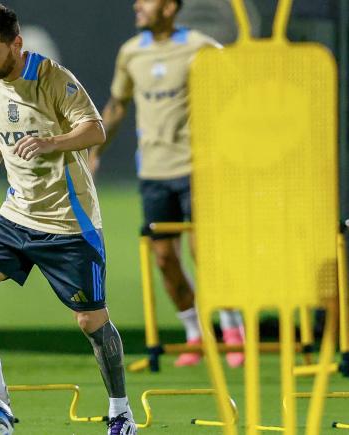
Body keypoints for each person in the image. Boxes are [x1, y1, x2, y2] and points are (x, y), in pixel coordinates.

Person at [0, 4, 137, 433]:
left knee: (91, 321)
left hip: (68, 222)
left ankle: (121, 413)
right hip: (16, 213)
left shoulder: (53, 79)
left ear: (16, 45)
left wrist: (52, 142)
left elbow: (96, 129)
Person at [89, 0, 245, 368]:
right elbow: (117, 105)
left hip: (199, 169)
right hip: (154, 172)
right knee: (163, 258)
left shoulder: (202, 47)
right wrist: (94, 152)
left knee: (206, 252)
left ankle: (233, 330)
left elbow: (236, 98)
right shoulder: (131, 53)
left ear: (171, 7)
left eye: (147, 1)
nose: (137, 6)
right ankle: (195, 335)